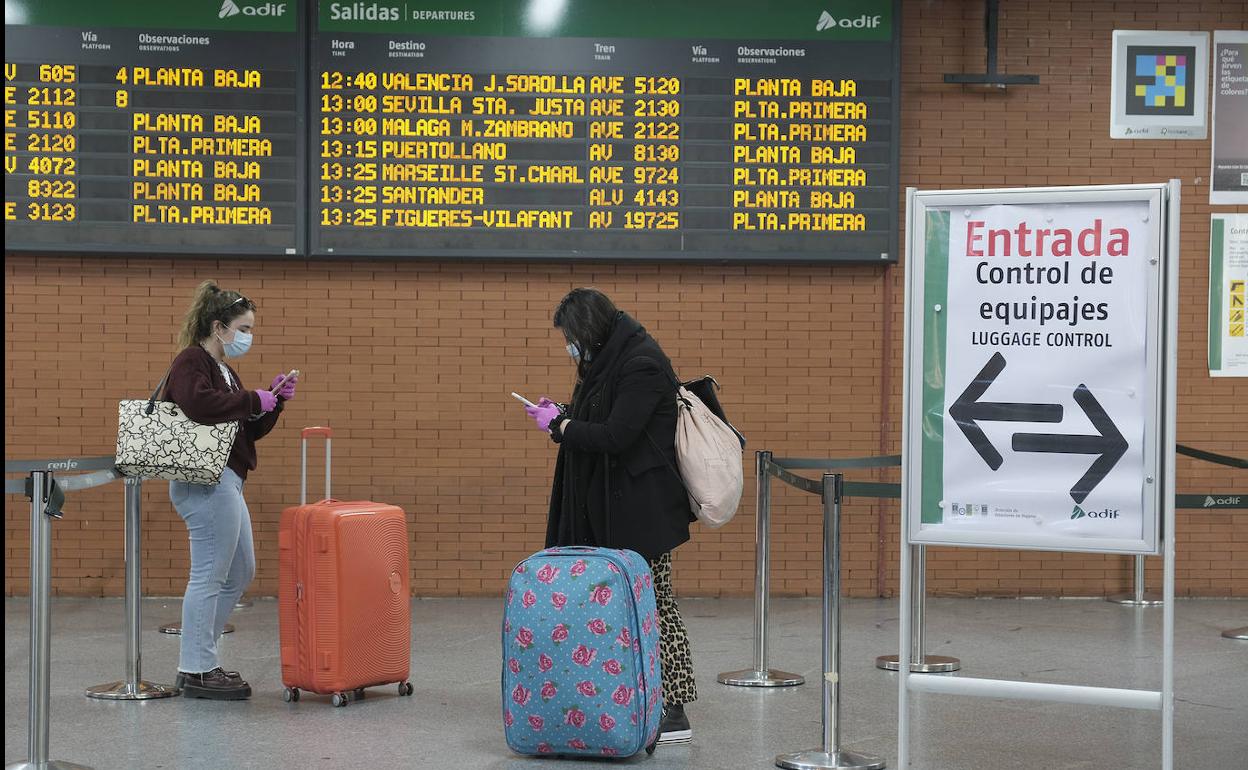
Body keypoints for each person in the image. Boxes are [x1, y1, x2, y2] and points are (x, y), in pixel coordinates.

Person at [524, 288, 698, 745]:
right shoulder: (609, 360)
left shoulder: (641, 362)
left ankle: (674, 710)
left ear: (591, 329)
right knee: (625, 607)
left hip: (642, 512)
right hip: (612, 506)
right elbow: (599, 415)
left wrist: (561, 428)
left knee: (654, 605)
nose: (570, 347)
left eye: (572, 336)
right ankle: (630, 698)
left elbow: (617, 435)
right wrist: (561, 413)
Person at [164, 281, 296, 700]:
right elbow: (198, 405)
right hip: (205, 482)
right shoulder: (192, 361)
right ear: (218, 327)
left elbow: (246, 431)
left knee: (239, 571)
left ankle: (201, 659)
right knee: (209, 574)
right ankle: (197, 668)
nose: (247, 337)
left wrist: (271, 402)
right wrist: (248, 400)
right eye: (243, 328)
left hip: (227, 480)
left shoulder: (223, 368)